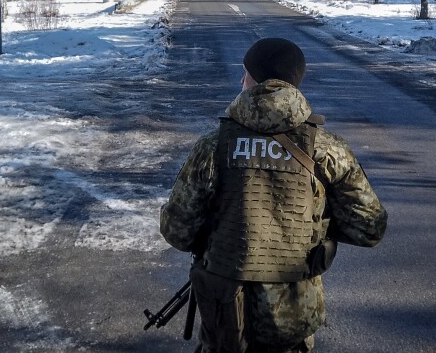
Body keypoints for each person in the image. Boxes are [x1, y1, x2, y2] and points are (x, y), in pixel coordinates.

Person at [160, 37, 387, 353]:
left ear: (256, 80)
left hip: (226, 314)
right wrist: (311, 224)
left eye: (245, 73)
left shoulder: (213, 146)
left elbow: (177, 231)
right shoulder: (327, 149)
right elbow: (370, 227)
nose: (241, 80)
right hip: (293, 317)